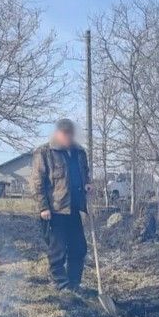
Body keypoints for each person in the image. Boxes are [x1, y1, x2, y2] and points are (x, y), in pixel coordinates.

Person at [31, 119, 91, 291]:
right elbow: (37, 183)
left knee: (79, 248)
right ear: (58, 133)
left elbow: (84, 172)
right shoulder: (44, 153)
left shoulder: (79, 152)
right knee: (57, 251)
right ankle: (60, 283)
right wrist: (43, 207)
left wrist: (87, 183)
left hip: (74, 207)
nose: (68, 138)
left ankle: (74, 283)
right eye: (65, 134)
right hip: (55, 210)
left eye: (70, 134)